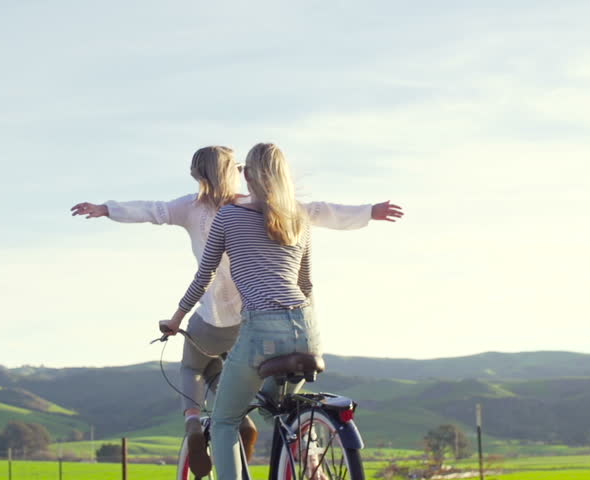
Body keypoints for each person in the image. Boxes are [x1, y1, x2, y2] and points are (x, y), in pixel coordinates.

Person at [71, 146, 401, 475]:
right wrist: (367, 212)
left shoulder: (217, 213)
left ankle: (194, 420)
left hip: (244, 323)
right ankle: (309, 451)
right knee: (276, 404)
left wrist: (107, 209)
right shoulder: (292, 214)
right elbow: (309, 266)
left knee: (211, 395)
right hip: (305, 328)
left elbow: (183, 250)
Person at [162, 142, 332, 480]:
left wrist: (176, 319)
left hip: (261, 329)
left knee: (225, 421)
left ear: (250, 175)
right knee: (276, 407)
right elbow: (306, 284)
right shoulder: (300, 218)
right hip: (308, 330)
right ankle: (310, 459)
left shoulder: (228, 216)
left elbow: (205, 276)